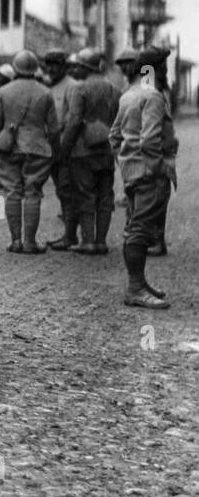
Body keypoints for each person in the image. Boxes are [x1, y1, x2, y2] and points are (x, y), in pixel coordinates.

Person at [109, 46, 175, 308]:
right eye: (163, 67)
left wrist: (126, 163)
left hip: (133, 173)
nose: (165, 72)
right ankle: (135, 288)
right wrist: (158, 167)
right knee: (140, 229)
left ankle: (140, 283)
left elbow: (114, 136)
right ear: (153, 69)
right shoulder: (154, 96)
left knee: (136, 226)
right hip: (150, 174)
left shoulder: (128, 96)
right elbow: (149, 140)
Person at [0, 49, 59, 255]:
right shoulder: (45, 92)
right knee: (33, 193)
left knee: (11, 192)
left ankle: (15, 241)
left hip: (9, 147)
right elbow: (53, 128)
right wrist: (53, 148)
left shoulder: (3, 91)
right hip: (37, 147)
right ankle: (30, 242)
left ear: (15, 68)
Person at [61, 48, 119, 256]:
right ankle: (101, 241)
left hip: (82, 151)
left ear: (86, 67)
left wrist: (64, 149)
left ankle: (88, 241)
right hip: (107, 150)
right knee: (105, 196)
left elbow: (74, 121)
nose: (75, 69)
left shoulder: (80, 89)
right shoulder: (113, 89)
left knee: (84, 195)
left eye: (78, 65)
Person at [41, 49, 82, 250]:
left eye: (55, 64)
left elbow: (72, 120)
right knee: (61, 190)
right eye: (48, 64)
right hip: (51, 148)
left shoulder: (72, 87)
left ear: (63, 66)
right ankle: (70, 232)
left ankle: (70, 235)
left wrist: (64, 149)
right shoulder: (47, 87)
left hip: (67, 148)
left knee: (68, 191)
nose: (50, 68)